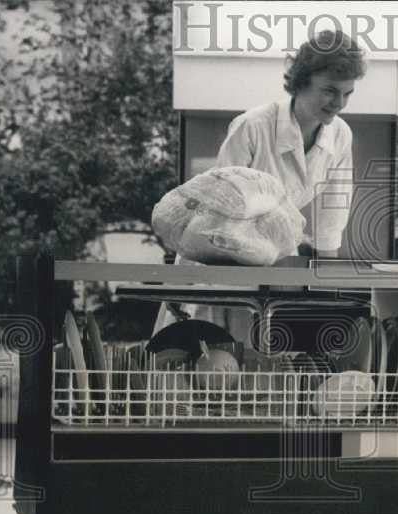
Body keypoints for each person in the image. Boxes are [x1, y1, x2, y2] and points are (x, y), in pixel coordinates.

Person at [154, 29, 366, 338]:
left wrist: (325, 294)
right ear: (302, 81)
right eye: (330, 91)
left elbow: (331, 224)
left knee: (250, 367)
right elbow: (217, 219)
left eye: (347, 93)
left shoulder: (340, 135)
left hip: (265, 270)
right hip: (211, 263)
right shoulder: (253, 126)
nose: (339, 102)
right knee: (192, 358)